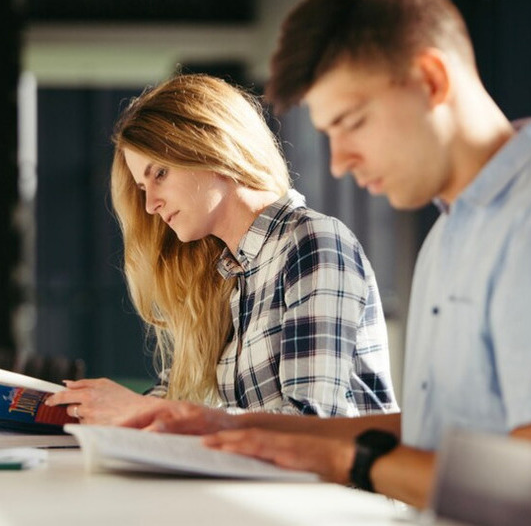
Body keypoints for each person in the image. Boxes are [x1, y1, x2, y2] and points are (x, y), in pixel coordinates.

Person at [120, 0, 531, 525]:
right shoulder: (455, 229)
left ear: (430, 79)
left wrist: (345, 461)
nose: (338, 162)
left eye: (351, 122)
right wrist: (228, 428)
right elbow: (437, 432)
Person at [46, 73, 398, 423]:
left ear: (212, 148)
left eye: (160, 173)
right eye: (142, 187)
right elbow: (173, 401)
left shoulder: (311, 242)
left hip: (330, 482)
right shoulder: (224, 272)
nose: (151, 204)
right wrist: (86, 411)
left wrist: (144, 412)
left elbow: (314, 424)